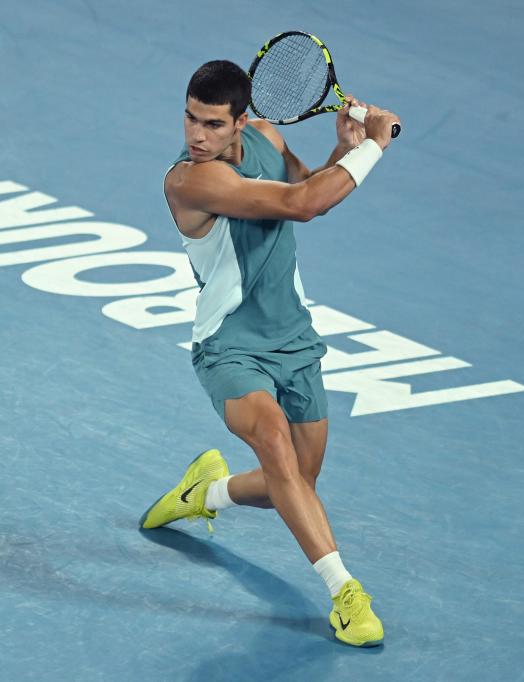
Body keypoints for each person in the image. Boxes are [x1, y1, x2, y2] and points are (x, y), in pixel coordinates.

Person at [139, 60, 400, 648]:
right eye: (189, 117)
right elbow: (302, 204)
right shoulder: (189, 181)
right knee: (277, 446)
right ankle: (346, 595)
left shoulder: (268, 138)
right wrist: (377, 147)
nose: (195, 135)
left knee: (297, 483)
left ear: (240, 122)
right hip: (229, 345)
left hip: (294, 340)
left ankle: (201, 494)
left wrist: (345, 150)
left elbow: (311, 189)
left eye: (210, 123)